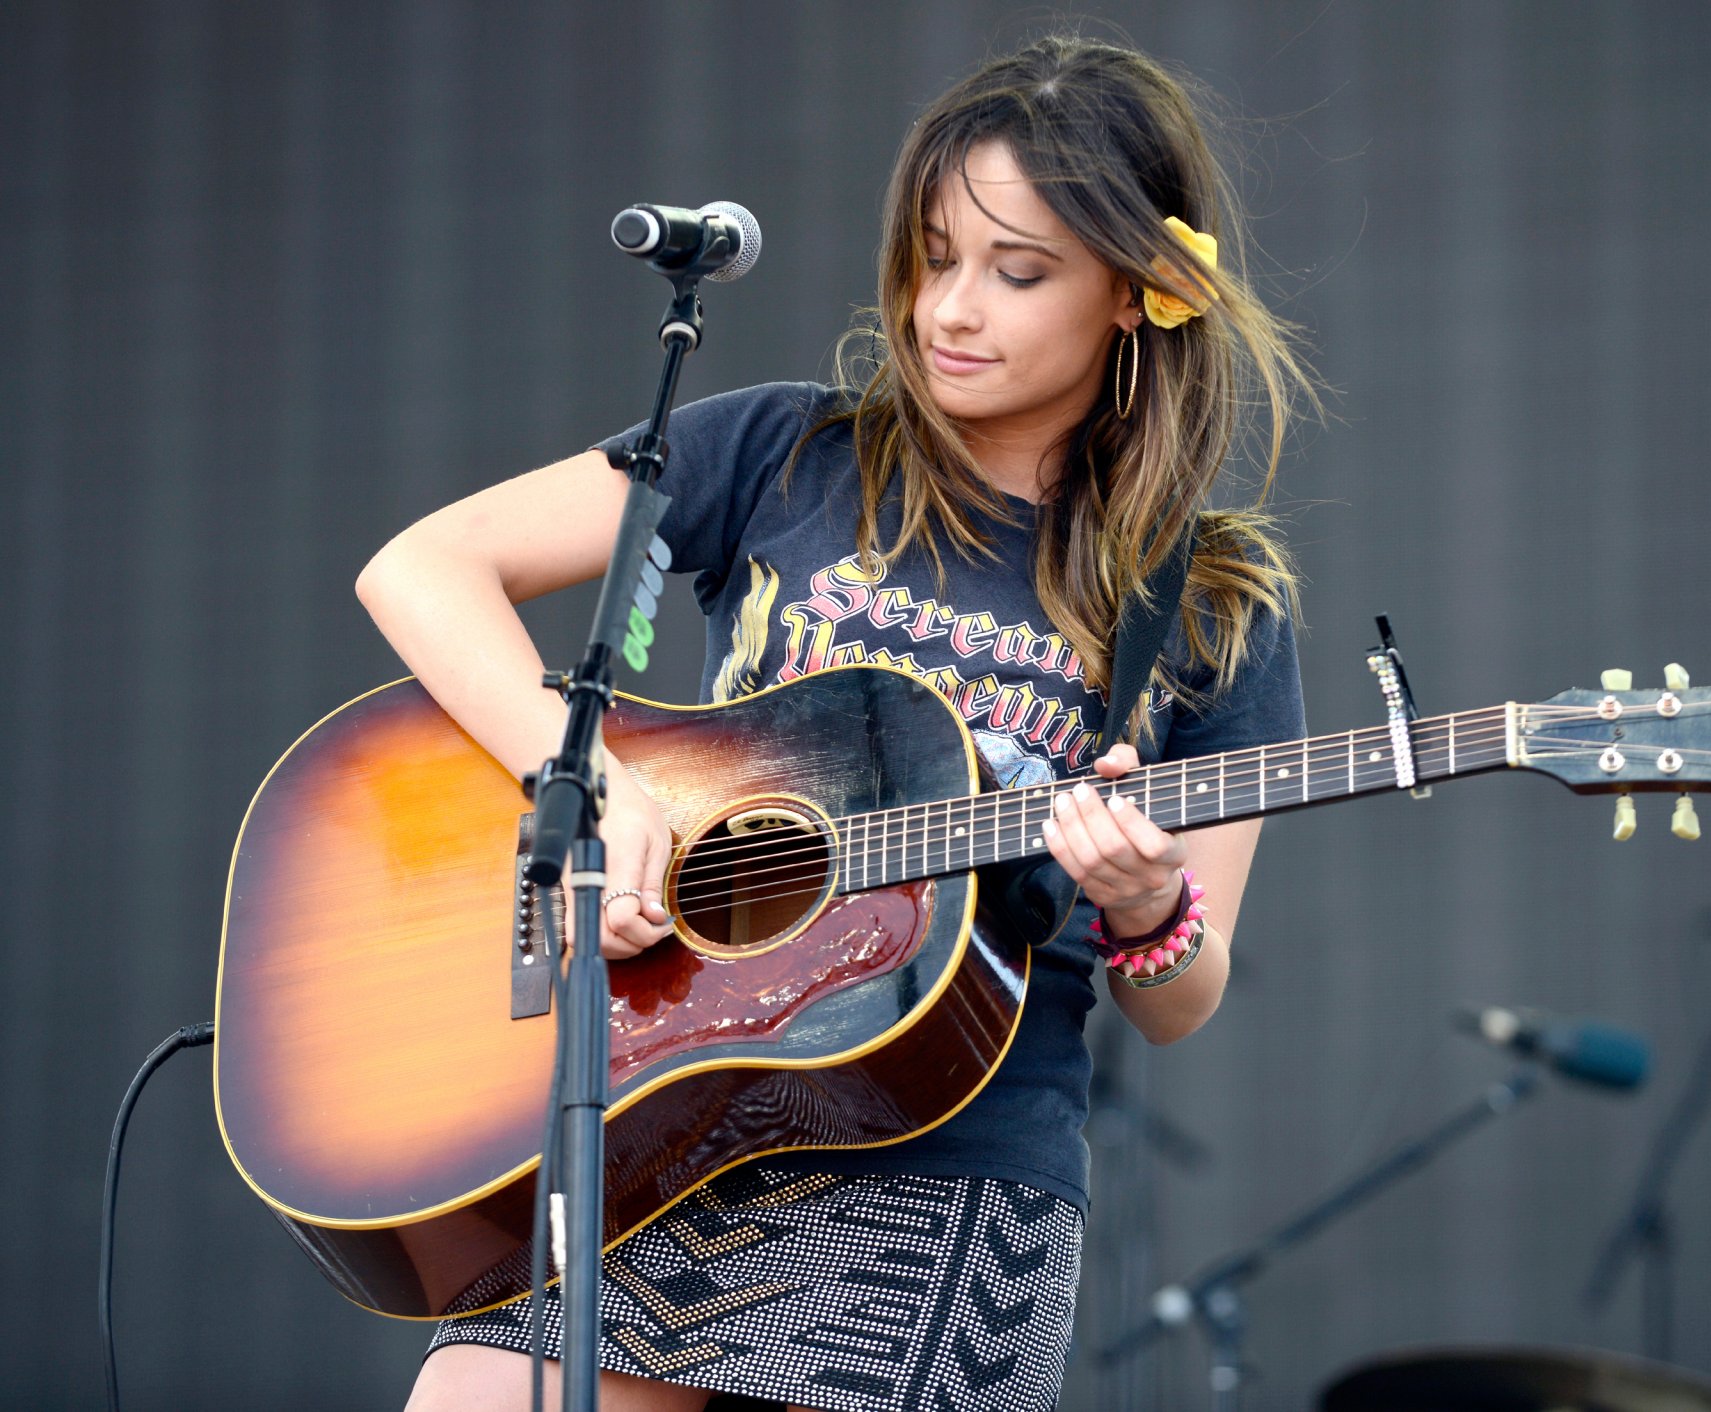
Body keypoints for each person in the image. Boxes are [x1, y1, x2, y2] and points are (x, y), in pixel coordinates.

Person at [357, 33, 1317, 1412]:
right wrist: (600, 786)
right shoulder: (787, 454)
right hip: (670, 1118)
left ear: (1137, 291)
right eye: (934, 257)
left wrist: (1147, 904)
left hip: (948, 1171)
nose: (951, 311)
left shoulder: (1210, 604)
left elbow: (1181, 1002)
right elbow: (423, 568)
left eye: (1018, 272)